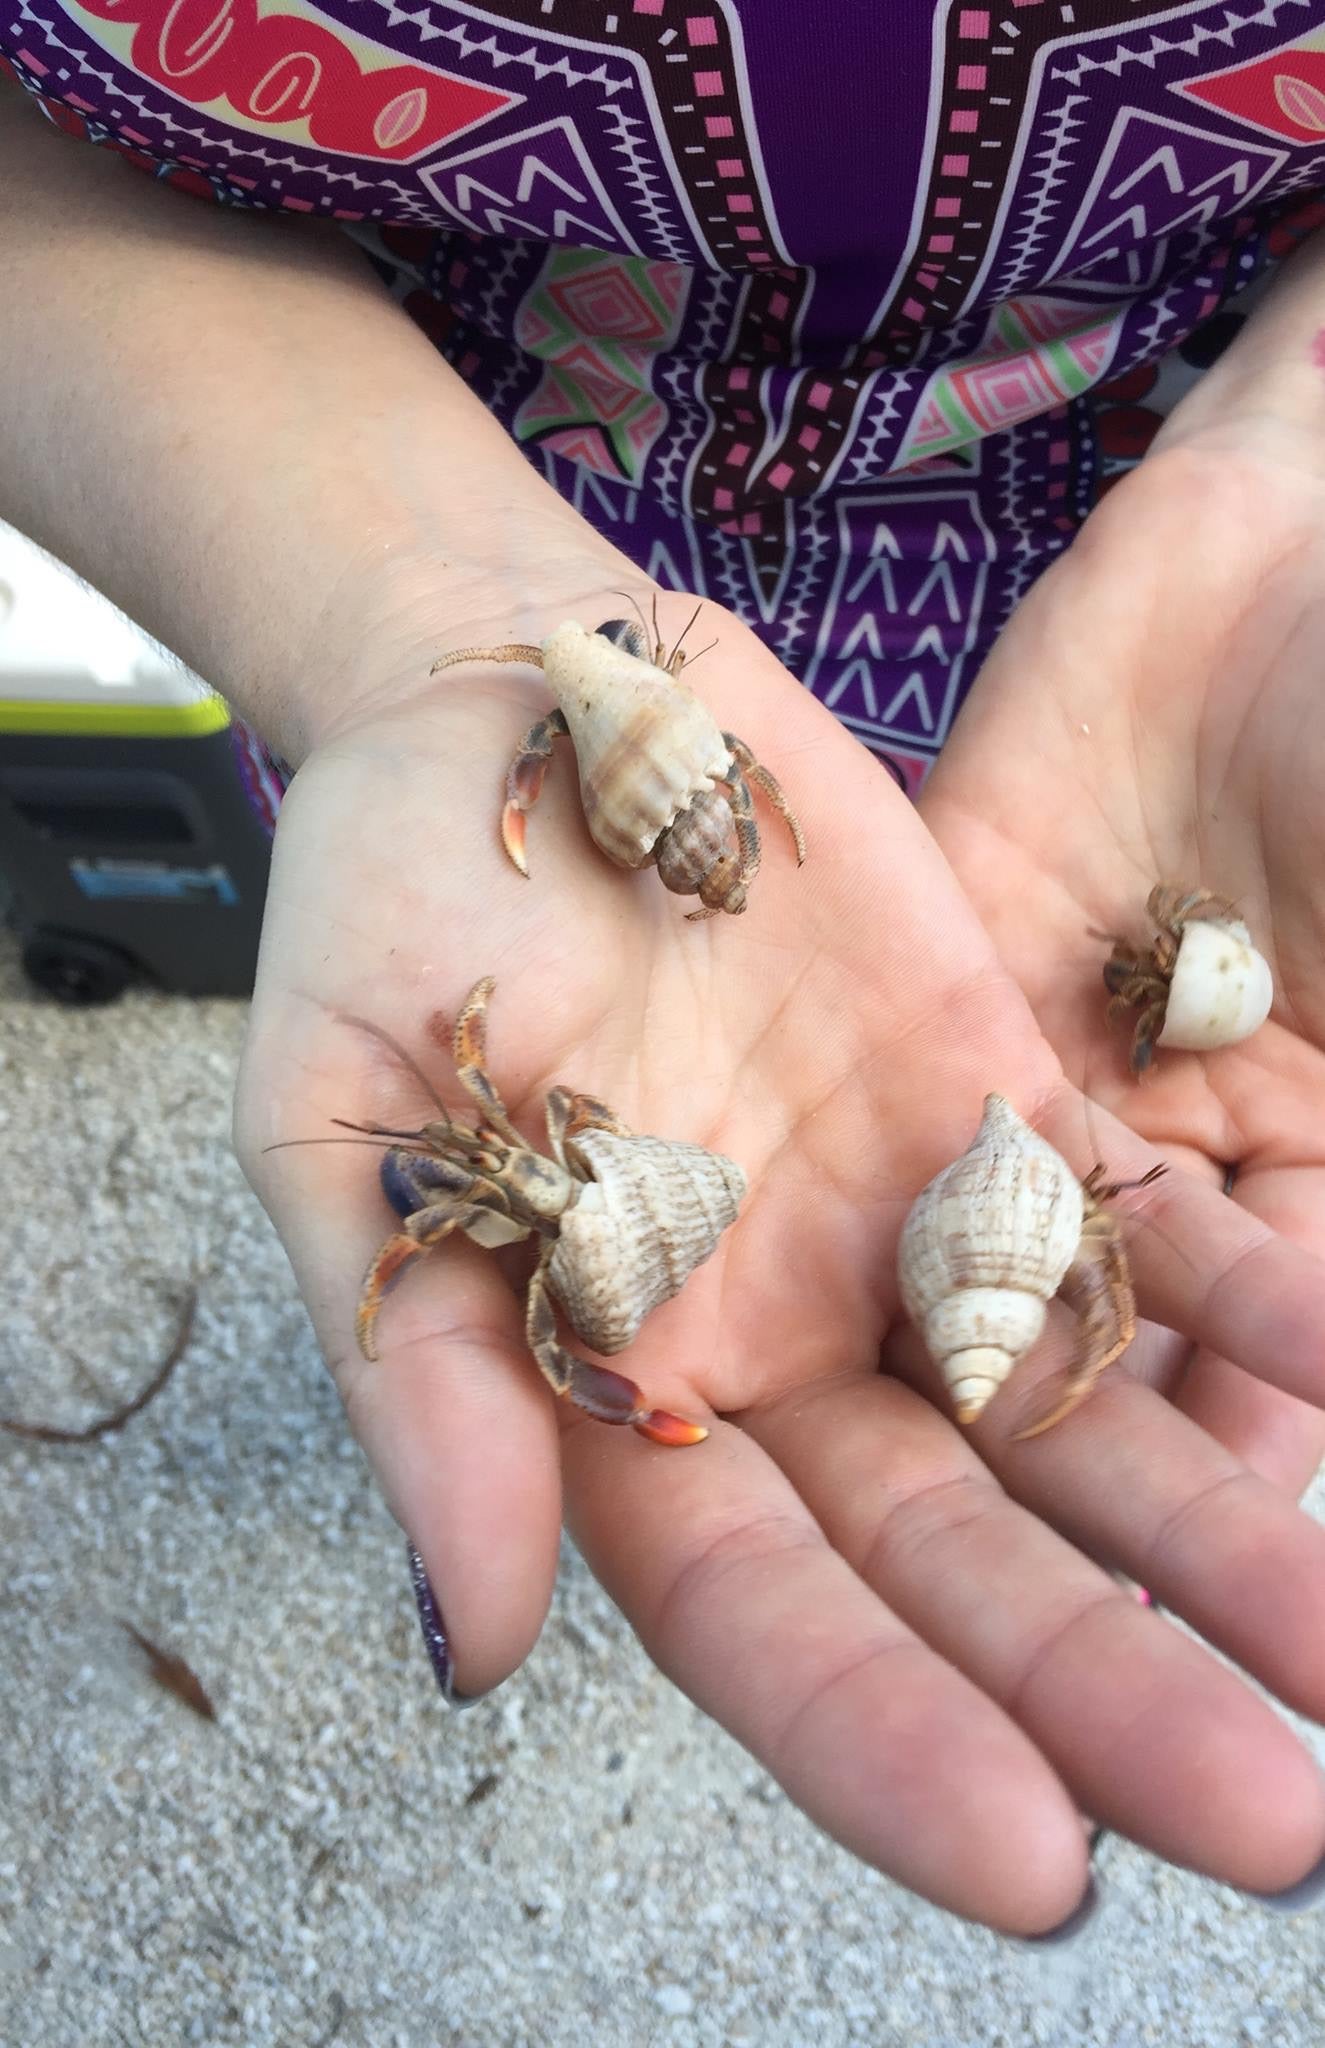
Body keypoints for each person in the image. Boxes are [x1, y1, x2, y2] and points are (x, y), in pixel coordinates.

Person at [4, 5, 1325, 1938]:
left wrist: (1293, 466)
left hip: (1125, 627)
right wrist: (397, 610)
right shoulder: (517, 774)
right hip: (428, 545)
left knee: (514, 1181)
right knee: (439, 1147)